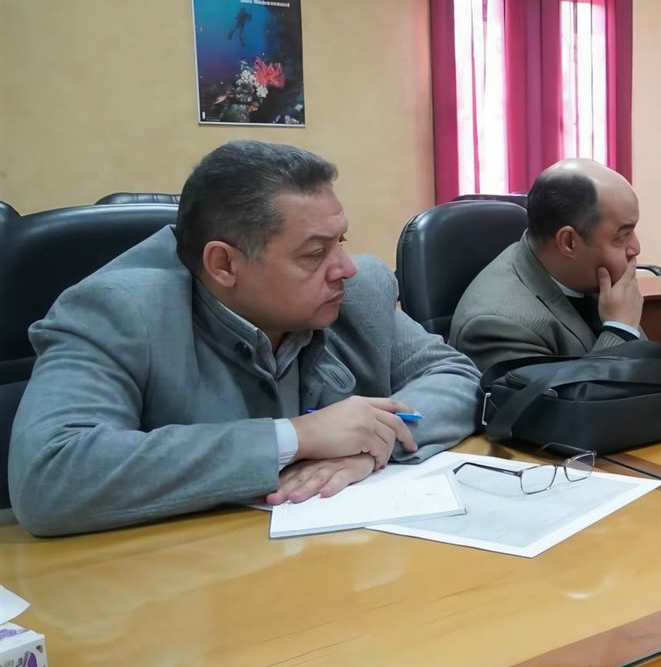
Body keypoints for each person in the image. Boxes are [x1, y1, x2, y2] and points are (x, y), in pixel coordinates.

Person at [9, 141, 481, 537]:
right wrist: (297, 438)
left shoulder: (356, 294)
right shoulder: (117, 311)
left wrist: (372, 446)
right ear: (224, 265)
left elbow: (455, 376)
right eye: (315, 253)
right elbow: (50, 473)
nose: (345, 267)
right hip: (177, 585)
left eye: (341, 240)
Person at [450, 159, 645, 373]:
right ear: (569, 242)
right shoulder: (500, 325)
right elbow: (564, 397)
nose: (636, 248)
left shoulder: (595, 278)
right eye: (623, 235)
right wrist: (620, 331)